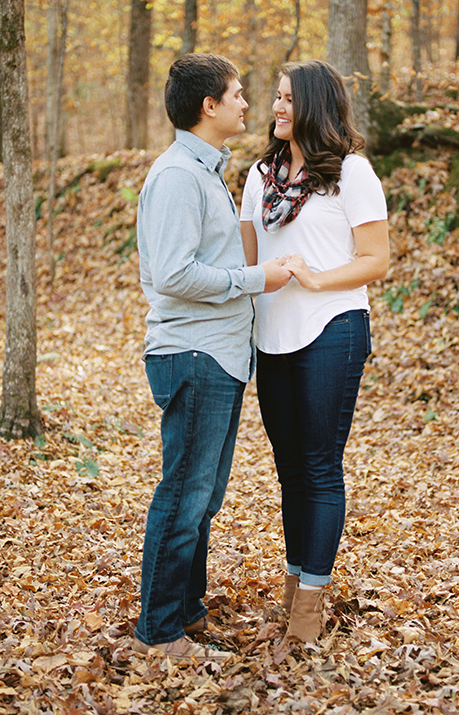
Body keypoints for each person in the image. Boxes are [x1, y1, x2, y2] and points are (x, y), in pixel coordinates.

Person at [133, 53, 291, 664]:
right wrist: (255, 279)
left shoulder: (204, 172)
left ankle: (184, 613)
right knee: (184, 494)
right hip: (193, 353)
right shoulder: (177, 175)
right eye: (238, 93)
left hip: (217, 356)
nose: (248, 103)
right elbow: (171, 274)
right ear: (209, 106)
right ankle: (160, 633)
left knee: (204, 495)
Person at [240, 59, 389, 645]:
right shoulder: (260, 177)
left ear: (316, 107)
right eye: (275, 98)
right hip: (272, 333)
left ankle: (308, 608)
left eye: (287, 99)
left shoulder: (352, 173)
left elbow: (376, 260)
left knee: (321, 466)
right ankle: (297, 577)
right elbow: (251, 263)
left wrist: (315, 279)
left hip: (333, 326)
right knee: (289, 470)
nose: (277, 108)